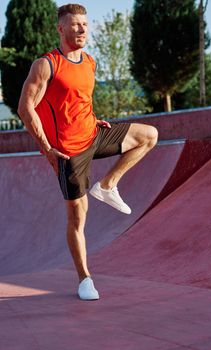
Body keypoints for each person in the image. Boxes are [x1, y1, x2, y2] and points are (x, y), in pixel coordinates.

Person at [17, 3, 158, 301]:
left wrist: (94, 118)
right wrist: (47, 149)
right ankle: (85, 279)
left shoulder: (90, 62)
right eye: (75, 25)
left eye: (85, 24)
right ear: (60, 28)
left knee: (148, 136)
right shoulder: (47, 64)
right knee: (78, 219)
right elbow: (25, 108)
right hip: (68, 153)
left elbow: (80, 99)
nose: (82, 29)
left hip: (94, 133)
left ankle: (108, 185)